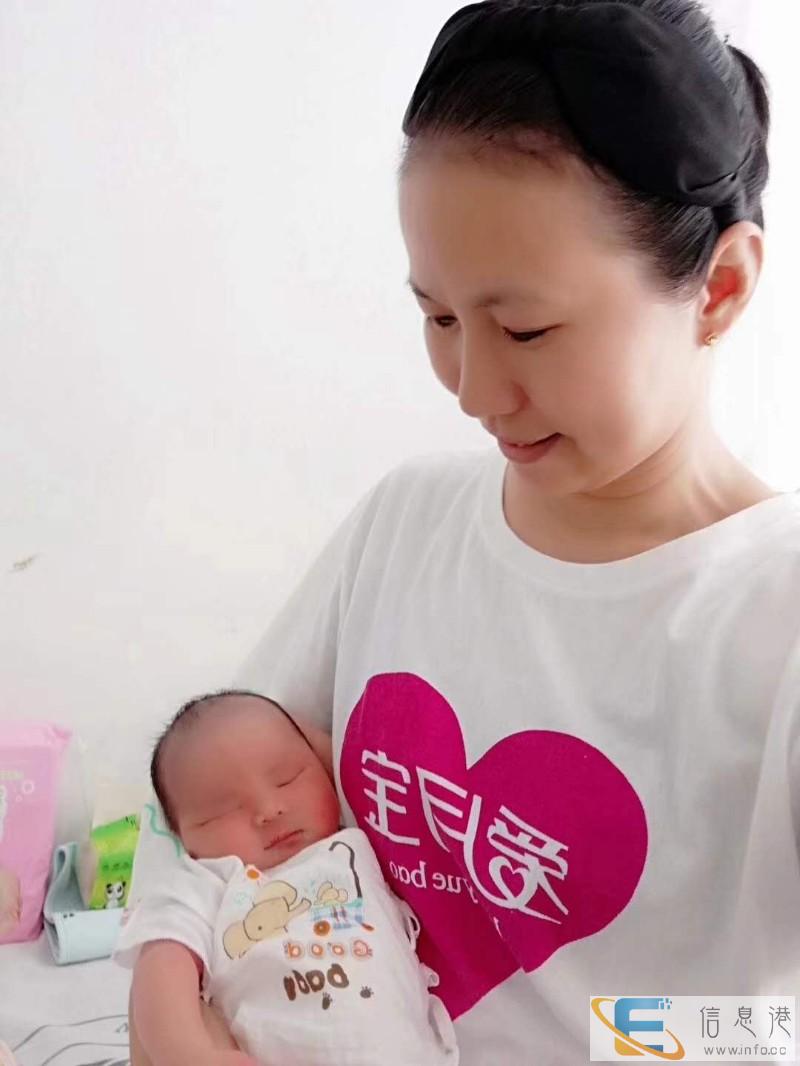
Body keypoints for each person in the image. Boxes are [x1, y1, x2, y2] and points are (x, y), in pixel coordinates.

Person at [130, 0, 800, 1061]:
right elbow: (204, 810)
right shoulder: (405, 523)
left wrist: (617, 1044)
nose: (472, 390)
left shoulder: (772, 622)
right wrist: (165, 1014)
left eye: (525, 328)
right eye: (438, 317)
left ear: (717, 289)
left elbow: (774, 1032)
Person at [118, 691, 457, 1066]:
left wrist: (294, 727)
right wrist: (189, 1052)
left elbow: (354, 760)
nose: (269, 810)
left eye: (287, 778)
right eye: (222, 809)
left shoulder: (352, 839)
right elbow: (161, 967)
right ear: (182, 839)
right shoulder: (209, 880)